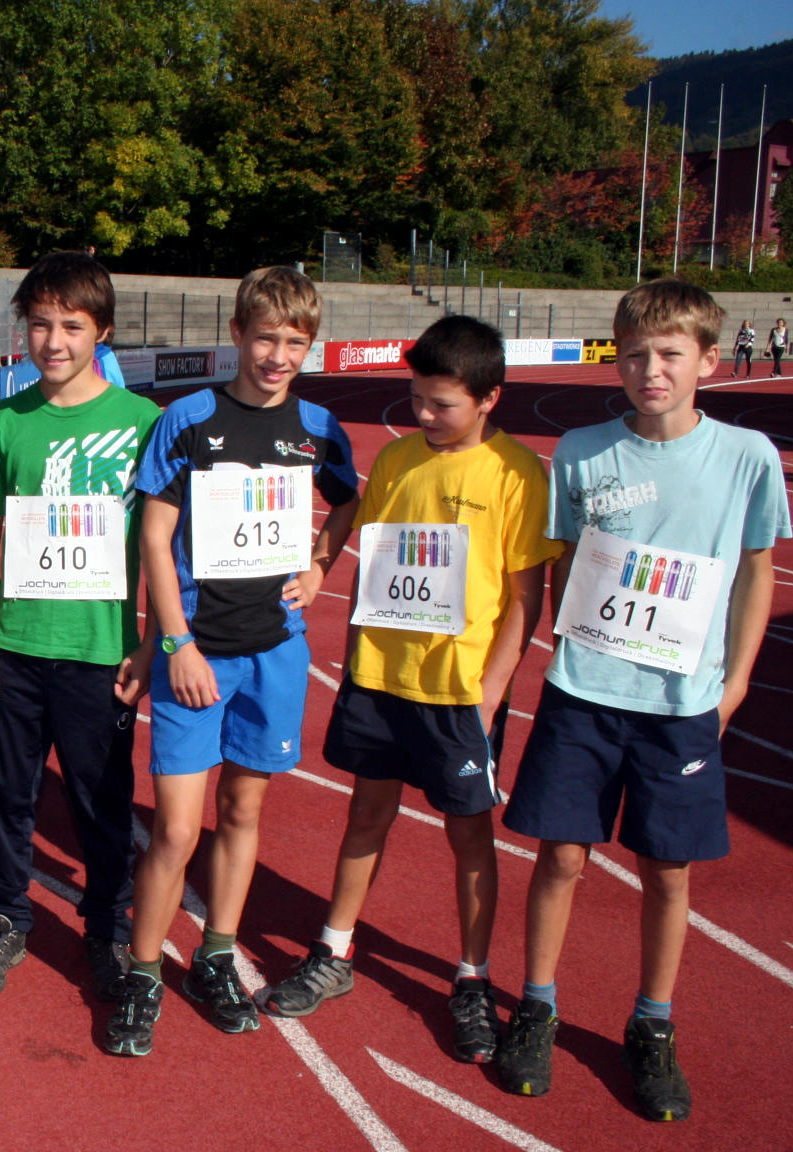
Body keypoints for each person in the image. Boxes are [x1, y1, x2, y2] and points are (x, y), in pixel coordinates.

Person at [497, 280, 790, 1122]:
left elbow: (758, 572)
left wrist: (736, 682)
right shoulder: (582, 451)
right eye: (633, 355)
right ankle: (537, 1005)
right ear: (615, 361)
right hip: (583, 695)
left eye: (669, 354)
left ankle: (653, 1024)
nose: (650, 370)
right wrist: (570, 645)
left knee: (667, 869)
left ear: (709, 361)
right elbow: (561, 564)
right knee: (560, 857)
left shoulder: (748, 457)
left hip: (681, 706)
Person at [264, 315, 560, 1068]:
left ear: (489, 398)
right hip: (379, 678)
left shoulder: (517, 475)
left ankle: (472, 977)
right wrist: (319, 570)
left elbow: (526, 599)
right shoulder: (396, 460)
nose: (424, 414)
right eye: (416, 398)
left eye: (442, 404)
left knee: (468, 835)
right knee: (366, 814)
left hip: (458, 691)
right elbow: (365, 546)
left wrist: (491, 693)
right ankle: (334, 949)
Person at [105, 268, 360, 1056]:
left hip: (275, 653)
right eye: (265, 338)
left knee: (244, 812)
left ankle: (215, 956)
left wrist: (320, 564)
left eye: (295, 342)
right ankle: (143, 971)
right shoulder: (188, 419)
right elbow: (154, 538)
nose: (278, 355)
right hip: (198, 654)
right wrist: (173, 643)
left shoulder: (318, 426)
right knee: (178, 829)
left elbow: (348, 497)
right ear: (238, 333)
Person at [0, 251, 160, 1003]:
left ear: (102, 331)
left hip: (99, 653)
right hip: (12, 648)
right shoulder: (3, 421)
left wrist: (151, 642)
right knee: (4, 795)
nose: (53, 341)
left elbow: (162, 543)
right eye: (40, 324)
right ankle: (4, 918)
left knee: (101, 802)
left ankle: (106, 925)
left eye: (72, 326)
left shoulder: (144, 425)